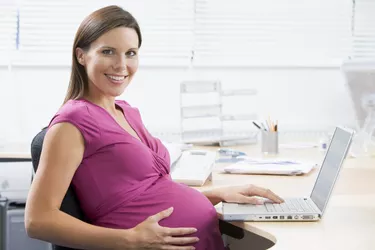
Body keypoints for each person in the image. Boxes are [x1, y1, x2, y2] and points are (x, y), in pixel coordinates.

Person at [25, 5, 283, 250]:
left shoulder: (125, 111)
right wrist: (130, 240)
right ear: (81, 55)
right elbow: (38, 220)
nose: (121, 65)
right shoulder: (72, 123)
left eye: (130, 53)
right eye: (107, 52)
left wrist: (215, 193)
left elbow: (146, 194)